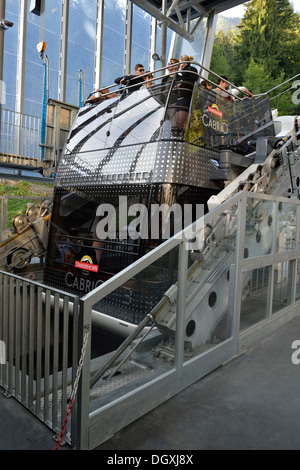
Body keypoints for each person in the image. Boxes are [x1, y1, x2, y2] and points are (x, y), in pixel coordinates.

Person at [175, 55, 198, 130]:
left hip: (185, 96)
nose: (179, 65)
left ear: (185, 63)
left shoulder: (190, 69)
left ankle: (185, 136)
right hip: (181, 97)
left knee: (182, 121)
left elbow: (193, 80)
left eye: (180, 63)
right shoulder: (183, 74)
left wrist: (181, 84)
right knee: (178, 121)